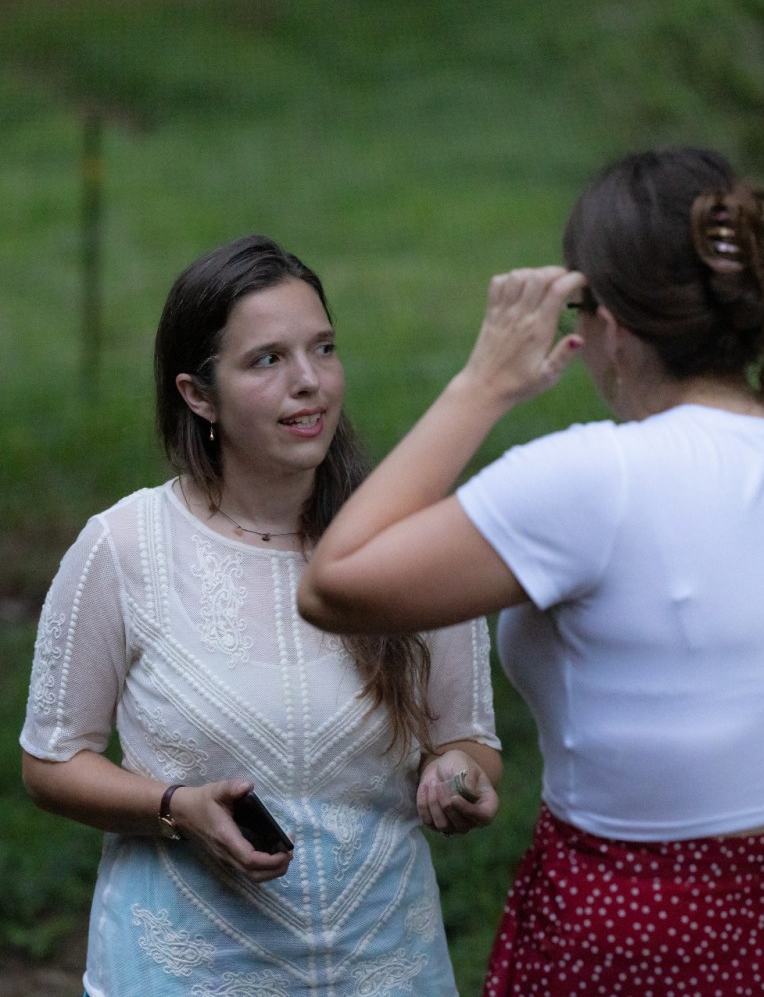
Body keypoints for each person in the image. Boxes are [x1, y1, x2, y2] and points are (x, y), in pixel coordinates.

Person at [296, 147, 764, 997]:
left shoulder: (592, 480)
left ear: (610, 321)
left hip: (625, 935)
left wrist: (482, 385)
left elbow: (335, 581)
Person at [20, 234, 501, 997]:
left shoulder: (409, 542)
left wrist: (460, 774)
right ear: (197, 394)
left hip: (383, 967)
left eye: (323, 348)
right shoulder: (123, 548)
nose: (309, 382)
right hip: (184, 973)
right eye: (267, 360)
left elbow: (470, 737)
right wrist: (174, 806)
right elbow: (50, 763)